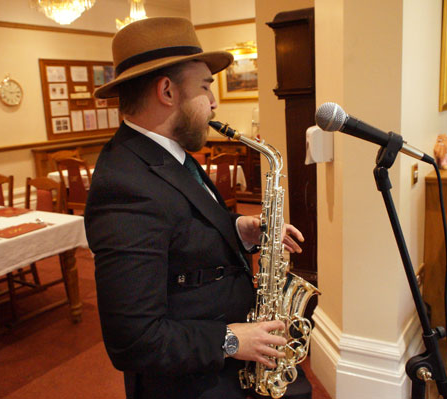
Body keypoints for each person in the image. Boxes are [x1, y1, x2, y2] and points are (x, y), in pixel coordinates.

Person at [84, 17, 305, 399]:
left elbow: (182, 223)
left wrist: (239, 228)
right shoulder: (124, 184)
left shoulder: (166, 153)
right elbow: (133, 340)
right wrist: (234, 340)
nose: (215, 102)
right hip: (189, 382)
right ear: (167, 91)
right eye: (205, 87)